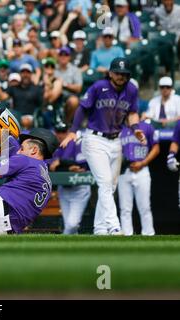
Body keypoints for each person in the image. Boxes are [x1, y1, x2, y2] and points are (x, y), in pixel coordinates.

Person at [60, 57, 146, 235]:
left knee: (109, 187)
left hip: (116, 141)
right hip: (95, 139)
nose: (121, 76)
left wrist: (136, 128)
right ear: (110, 73)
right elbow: (82, 108)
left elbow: (132, 113)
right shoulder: (99, 87)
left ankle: (99, 229)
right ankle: (114, 226)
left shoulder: (131, 89)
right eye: (118, 72)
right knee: (105, 182)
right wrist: (73, 131)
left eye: (124, 73)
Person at [118, 120, 159, 236]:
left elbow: (156, 148)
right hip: (124, 170)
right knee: (125, 208)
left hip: (142, 169)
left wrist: (143, 163)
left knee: (145, 207)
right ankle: (126, 235)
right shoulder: (119, 128)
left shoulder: (146, 127)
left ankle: (149, 234)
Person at [49, 122, 90, 234]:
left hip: (79, 188)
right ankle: (74, 249)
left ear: (68, 132)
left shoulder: (76, 143)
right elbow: (50, 167)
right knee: (69, 225)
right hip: (64, 189)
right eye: (58, 132)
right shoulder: (55, 147)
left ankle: (59, 247)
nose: (60, 134)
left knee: (72, 224)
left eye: (63, 131)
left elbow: (82, 165)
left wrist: (61, 162)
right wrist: (67, 166)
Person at [0, 63, 43, 129]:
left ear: (31, 74)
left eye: (27, 72)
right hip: (16, 116)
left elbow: (41, 106)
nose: (25, 75)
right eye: (23, 72)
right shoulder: (14, 88)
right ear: (20, 74)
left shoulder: (36, 88)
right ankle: (3, 138)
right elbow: (2, 97)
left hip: (32, 117)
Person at [54, 46, 82, 124]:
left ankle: (66, 123)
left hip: (68, 95)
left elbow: (78, 88)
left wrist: (64, 84)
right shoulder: (53, 68)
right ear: (58, 56)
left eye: (66, 54)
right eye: (61, 54)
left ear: (69, 57)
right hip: (55, 95)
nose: (63, 57)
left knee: (74, 101)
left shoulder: (75, 70)